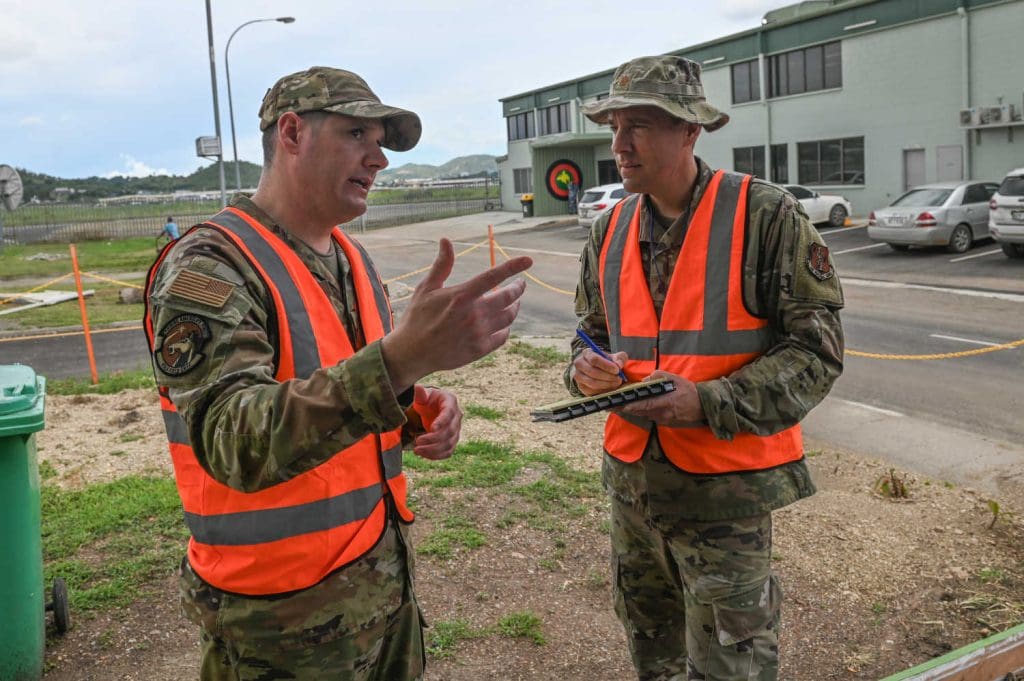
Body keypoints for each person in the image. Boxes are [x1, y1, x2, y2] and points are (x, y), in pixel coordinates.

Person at [144, 66, 532, 680]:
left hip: (380, 593)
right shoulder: (210, 265)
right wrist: (402, 359)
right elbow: (230, 441)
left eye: (380, 142)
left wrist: (414, 406)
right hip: (281, 627)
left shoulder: (351, 257)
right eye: (358, 134)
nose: (378, 159)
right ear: (292, 133)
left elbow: (345, 387)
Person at [565, 55, 844, 680]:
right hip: (634, 495)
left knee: (729, 665)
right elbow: (588, 338)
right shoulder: (608, 231)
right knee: (653, 656)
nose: (619, 144)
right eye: (613, 126)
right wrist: (584, 371)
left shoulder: (765, 216)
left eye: (639, 124)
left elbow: (816, 352)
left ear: (690, 131)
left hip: (725, 499)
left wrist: (707, 401)